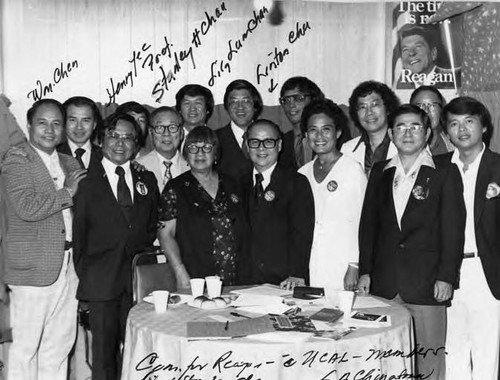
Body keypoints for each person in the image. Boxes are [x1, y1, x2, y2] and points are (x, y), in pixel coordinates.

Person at [357, 104, 465, 379]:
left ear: (427, 132)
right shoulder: (380, 172)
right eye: (401, 127)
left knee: (428, 362)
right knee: (387, 360)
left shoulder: (445, 172)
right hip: (384, 284)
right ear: (391, 133)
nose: (407, 132)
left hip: (427, 284)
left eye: (415, 126)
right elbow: (368, 226)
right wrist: (365, 271)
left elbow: (453, 230)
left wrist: (447, 277)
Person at [2, 98, 87, 380]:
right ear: (28, 125)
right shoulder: (16, 159)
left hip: (70, 266)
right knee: (25, 349)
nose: (49, 130)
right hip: (31, 270)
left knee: (59, 346)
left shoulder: (69, 162)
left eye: (56, 124)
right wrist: (68, 193)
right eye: (42, 123)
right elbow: (26, 207)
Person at [73, 112, 159, 380]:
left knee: (142, 353)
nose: (120, 143)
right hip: (102, 282)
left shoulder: (148, 180)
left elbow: (150, 226)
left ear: (136, 144)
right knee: (103, 357)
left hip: (138, 283)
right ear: (101, 140)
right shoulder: (84, 182)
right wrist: (87, 282)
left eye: (128, 138)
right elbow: (79, 238)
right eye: (114, 136)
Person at [441, 97, 500, 380]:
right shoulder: (437, 169)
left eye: (469, 121)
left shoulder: (498, 167)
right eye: (453, 123)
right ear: (445, 132)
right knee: (453, 351)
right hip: (446, 274)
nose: (461, 129)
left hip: (487, 271)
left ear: (484, 127)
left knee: (487, 354)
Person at [158, 126, 248, 289]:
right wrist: (180, 272)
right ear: (185, 154)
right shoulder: (176, 188)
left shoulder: (233, 184)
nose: (200, 153)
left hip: (238, 276)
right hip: (195, 277)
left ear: (216, 154)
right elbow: (166, 234)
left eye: (207, 147)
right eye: (193, 147)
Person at [298, 99, 366, 291]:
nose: (319, 136)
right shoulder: (303, 173)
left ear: (337, 132)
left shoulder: (352, 169)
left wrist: (354, 265)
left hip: (342, 263)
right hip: (310, 263)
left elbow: (362, 221)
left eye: (326, 129)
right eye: (313, 130)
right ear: (306, 134)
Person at [240, 119, 315, 288]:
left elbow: (303, 233)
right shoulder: (237, 182)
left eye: (268, 142)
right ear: (246, 145)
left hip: (284, 280)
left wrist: (297, 273)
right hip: (245, 279)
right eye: (254, 142)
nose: (261, 148)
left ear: (279, 145)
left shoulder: (296, 182)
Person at [342, 80, 400, 176]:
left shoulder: (405, 144)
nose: (369, 112)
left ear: (388, 108)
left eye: (375, 105)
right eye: (363, 107)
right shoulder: (347, 149)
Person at [215, 79, 264, 180]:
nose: (240, 107)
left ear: (255, 106)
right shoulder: (214, 139)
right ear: (227, 107)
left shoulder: (269, 135)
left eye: (246, 101)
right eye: (234, 101)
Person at [135, 106, 189, 192]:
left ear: (181, 133)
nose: (166, 133)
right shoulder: (137, 167)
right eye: (159, 128)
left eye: (172, 127)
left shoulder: (192, 167)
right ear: (150, 132)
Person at [279, 76, 324, 168]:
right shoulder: (281, 142)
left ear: (313, 100)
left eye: (298, 98)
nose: (291, 105)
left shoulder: (328, 135)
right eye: (286, 100)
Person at [397, 24, 461, 89]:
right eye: (405, 49)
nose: (411, 53)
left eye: (418, 46)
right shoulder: (401, 86)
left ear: (433, 53)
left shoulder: (456, 78)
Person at [58, 96, 103, 169]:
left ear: (94, 124)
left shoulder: (106, 156)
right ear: (63, 122)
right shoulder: (53, 155)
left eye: (85, 120)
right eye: (72, 120)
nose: (79, 127)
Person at [410, 86, 454, 155]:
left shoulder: (454, 145)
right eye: (420, 106)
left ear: (441, 110)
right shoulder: (399, 146)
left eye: (432, 105)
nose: (426, 111)